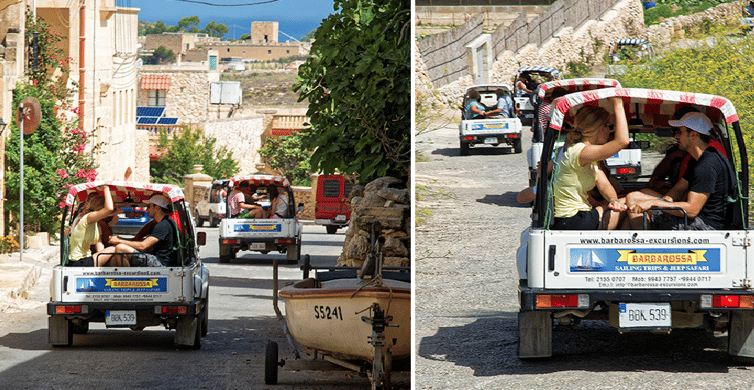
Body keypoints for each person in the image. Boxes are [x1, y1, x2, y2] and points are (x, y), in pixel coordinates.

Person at [623, 112, 735, 230]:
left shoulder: (707, 165)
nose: (676, 136)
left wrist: (654, 204)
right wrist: (663, 201)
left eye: (679, 132)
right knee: (634, 201)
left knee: (633, 200)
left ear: (694, 135)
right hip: (697, 220)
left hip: (705, 227)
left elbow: (692, 210)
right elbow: (678, 190)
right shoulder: (697, 160)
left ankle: (644, 245)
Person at [551, 97, 629, 230]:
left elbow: (603, 183)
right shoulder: (581, 152)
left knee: (623, 206)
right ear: (600, 128)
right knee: (632, 200)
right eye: (610, 127)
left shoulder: (585, 154)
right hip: (573, 219)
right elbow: (622, 141)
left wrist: (613, 199)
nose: (611, 131)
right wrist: (618, 104)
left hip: (573, 218)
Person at [105, 194, 178, 267]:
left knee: (120, 248)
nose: (147, 210)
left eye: (149, 206)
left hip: (161, 263)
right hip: (158, 258)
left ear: (157, 208)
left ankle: (126, 276)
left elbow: (143, 246)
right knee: (115, 259)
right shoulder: (164, 222)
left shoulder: (163, 225)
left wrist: (119, 240)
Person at [67, 187, 123, 267]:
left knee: (115, 257)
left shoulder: (95, 224)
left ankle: (122, 277)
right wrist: (106, 187)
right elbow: (109, 209)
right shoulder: (87, 218)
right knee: (116, 248)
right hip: (78, 261)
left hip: (87, 258)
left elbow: (99, 244)